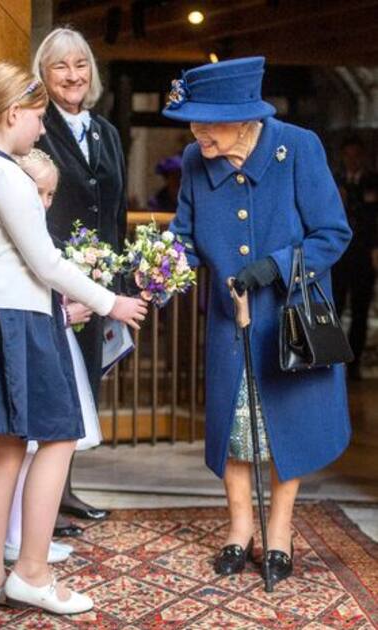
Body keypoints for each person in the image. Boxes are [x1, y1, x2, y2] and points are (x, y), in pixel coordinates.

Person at [0, 62, 147, 614]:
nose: (42, 129)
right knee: (59, 436)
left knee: (8, 449)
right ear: (14, 113)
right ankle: (33, 573)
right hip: (16, 317)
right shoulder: (5, 174)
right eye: (38, 117)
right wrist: (111, 301)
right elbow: (43, 260)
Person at [163, 56, 352, 585]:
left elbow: (332, 235)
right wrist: (155, 269)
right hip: (231, 321)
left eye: (208, 121)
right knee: (234, 430)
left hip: (288, 319)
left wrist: (275, 266)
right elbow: (184, 236)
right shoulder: (195, 161)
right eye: (192, 121)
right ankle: (238, 528)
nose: (198, 132)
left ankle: (280, 531)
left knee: (283, 426)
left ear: (246, 117)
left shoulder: (298, 148)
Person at [33, 27, 126, 529]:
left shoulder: (107, 133)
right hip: (52, 277)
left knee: (87, 382)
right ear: (43, 77)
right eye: (60, 67)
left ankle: (65, 490)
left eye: (81, 65)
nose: (73, 75)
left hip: (99, 280)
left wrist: (119, 285)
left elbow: (113, 208)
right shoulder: (36, 127)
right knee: (56, 386)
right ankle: (43, 499)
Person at [4, 148, 104, 564]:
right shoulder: (17, 236)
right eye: (40, 194)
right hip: (29, 345)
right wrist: (69, 311)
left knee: (31, 458)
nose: (46, 204)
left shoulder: (38, 231)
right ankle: (16, 540)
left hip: (47, 340)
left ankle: (31, 538)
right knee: (19, 456)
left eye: (50, 196)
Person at [332, 137, 378, 380]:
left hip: (363, 254)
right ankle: (334, 358)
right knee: (335, 307)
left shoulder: (373, 182)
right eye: (347, 155)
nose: (351, 160)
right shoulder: (334, 182)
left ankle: (354, 363)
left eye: (355, 155)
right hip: (339, 255)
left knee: (360, 309)